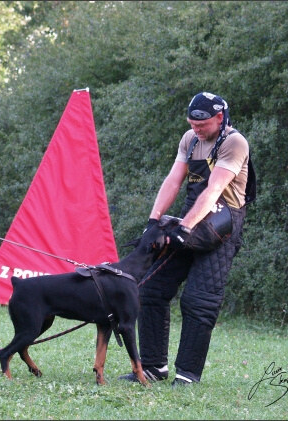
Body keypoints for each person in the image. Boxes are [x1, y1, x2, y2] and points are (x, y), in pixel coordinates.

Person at [119, 92, 256, 387]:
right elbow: (173, 180)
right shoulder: (190, 139)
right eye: (192, 123)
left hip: (222, 226)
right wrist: (154, 221)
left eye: (202, 124)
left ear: (220, 118)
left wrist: (184, 229)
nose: (196, 129)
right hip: (191, 218)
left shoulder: (234, 142)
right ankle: (154, 367)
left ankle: (187, 374)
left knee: (198, 300)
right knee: (150, 289)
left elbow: (214, 189)